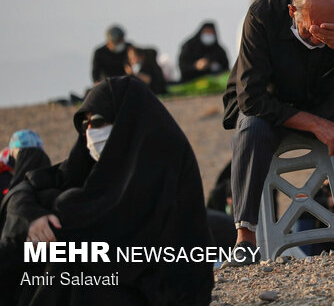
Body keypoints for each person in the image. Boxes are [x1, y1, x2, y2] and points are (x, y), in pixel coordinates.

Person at [0, 76, 213, 305]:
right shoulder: (95, 163)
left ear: (127, 119)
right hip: (112, 276)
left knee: (65, 259)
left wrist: (54, 215)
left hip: (157, 289)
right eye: (85, 125)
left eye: (99, 121)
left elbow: (103, 226)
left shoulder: (159, 160)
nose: (91, 132)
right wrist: (32, 216)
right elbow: (28, 187)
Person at [222, 0, 334, 266]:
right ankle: (245, 239)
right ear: (292, 12)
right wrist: (316, 125)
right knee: (250, 128)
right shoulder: (262, 14)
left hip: (322, 100)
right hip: (269, 107)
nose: (319, 36)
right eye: (313, 28)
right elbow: (251, 99)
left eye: (329, 28)